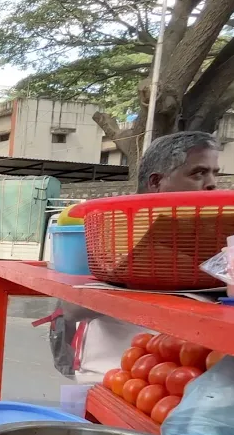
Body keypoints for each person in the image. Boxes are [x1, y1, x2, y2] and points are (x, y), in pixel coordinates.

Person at [51, 131, 223, 382]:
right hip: (112, 377)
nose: (211, 183)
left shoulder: (215, 236)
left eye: (215, 173)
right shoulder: (112, 231)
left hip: (184, 382)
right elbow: (71, 307)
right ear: (156, 182)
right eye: (198, 173)